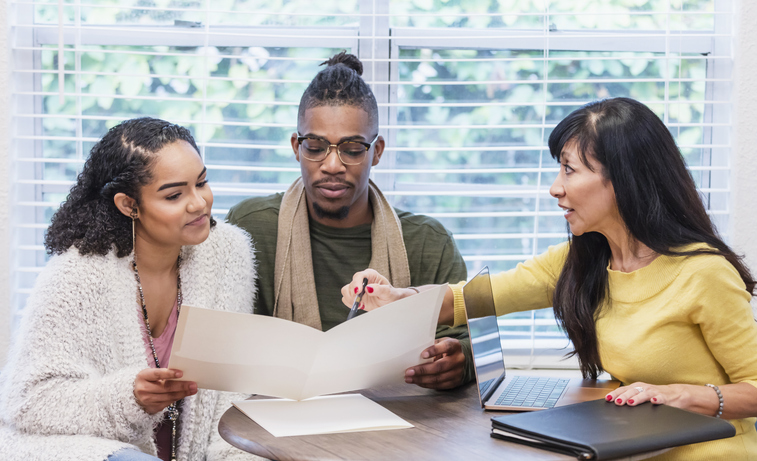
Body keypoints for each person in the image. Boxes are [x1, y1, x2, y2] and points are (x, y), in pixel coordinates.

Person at [342, 97, 757, 460]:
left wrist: (686, 396)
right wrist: (398, 298)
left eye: (569, 170)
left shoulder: (703, 273)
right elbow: (474, 299)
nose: (555, 188)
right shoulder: (583, 261)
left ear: (622, 180)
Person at [0, 118, 264, 461]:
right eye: (174, 195)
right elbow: (28, 402)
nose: (199, 203)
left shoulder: (227, 252)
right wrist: (129, 398)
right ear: (129, 205)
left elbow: (229, 387)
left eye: (202, 182)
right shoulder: (75, 276)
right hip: (97, 451)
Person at [226, 51, 474, 390]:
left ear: (378, 151)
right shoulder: (251, 228)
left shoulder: (428, 242)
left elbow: (470, 343)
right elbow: (225, 342)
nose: (331, 165)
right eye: (315, 146)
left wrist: (460, 361)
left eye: (352, 148)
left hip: (398, 428)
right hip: (274, 421)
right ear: (296, 147)